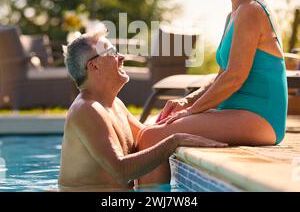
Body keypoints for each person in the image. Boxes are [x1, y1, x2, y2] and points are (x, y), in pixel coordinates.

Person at [137, 0, 288, 185]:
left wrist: (192, 111)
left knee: (152, 138)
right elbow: (221, 74)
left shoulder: (252, 10)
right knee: (152, 127)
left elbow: (234, 78)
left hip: (260, 116)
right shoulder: (234, 15)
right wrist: (186, 102)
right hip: (239, 111)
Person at [58, 27, 227, 191]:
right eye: (112, 52)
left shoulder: (115, 105)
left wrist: (195, 115)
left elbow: (149, 135)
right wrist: (174, 140)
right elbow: (121, 171)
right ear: (94, 66)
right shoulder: (86, 110)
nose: (121, 57)